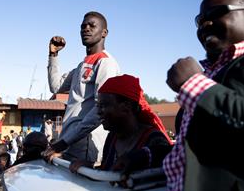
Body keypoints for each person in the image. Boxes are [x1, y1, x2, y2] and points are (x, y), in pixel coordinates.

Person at [164, 0, 244, 191]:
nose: (206, 23)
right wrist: (147, 157)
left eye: (216, 13)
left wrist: (196, 85)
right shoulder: (212, 73)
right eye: (200, 20)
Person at [43, 11, 120, 165]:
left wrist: (64, 142)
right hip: (69, 143)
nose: (86, 28)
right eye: (83, 26)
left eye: (92, 25)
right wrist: (53, 55)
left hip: (86, 147)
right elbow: (55, 86)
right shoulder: (80, 66)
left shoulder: (106, 63)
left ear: (104, 33)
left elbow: (101, 110)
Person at [69, 75, 172, 178]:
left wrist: (137, 158)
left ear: (126, 106)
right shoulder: (112, 138)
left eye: (104, 105)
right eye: (98, 106)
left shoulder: (154, 139)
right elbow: (110, 174)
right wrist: (89, 168)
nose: (99, 112)